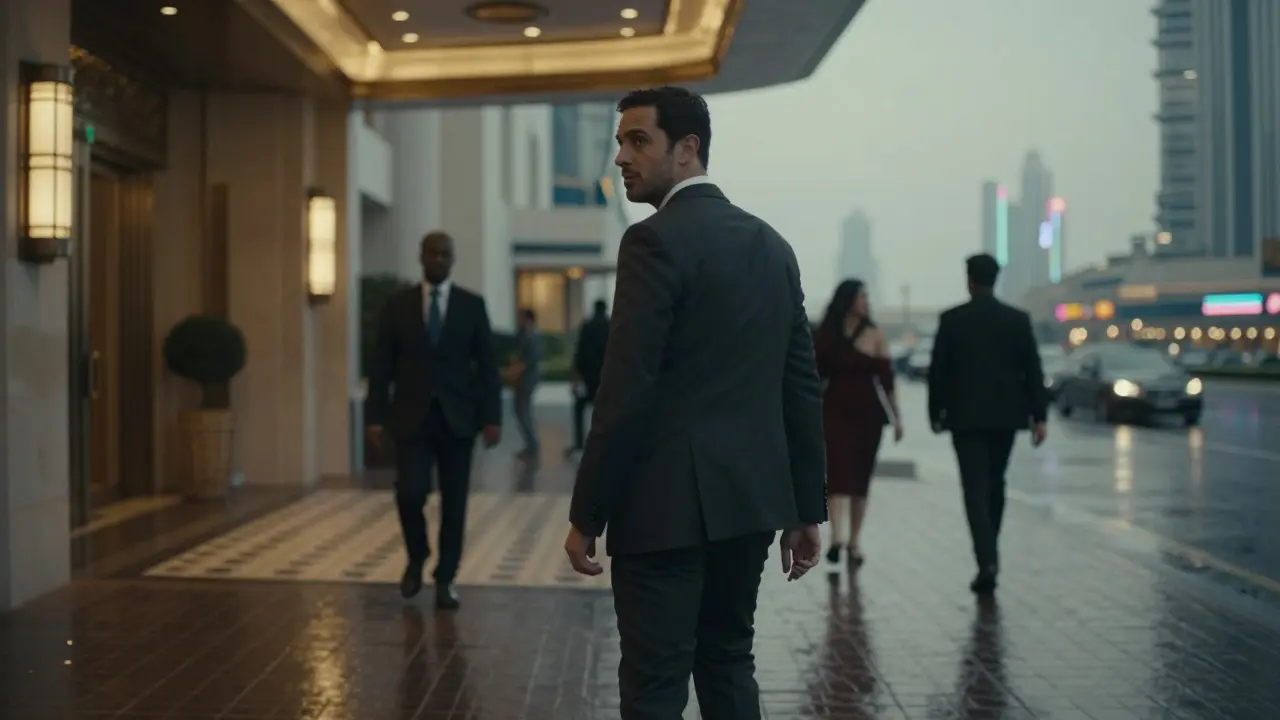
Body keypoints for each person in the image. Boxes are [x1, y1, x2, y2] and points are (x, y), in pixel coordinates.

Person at [563, 86, 827, 718]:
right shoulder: (773, 247)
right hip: (748, 507)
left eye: (638, 140)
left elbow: (625, 391)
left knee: (655, 685)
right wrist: (804, 509)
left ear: (687, 149)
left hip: (663, 511)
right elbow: (799, 386)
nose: (621, 157)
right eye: (619, 142)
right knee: (729, 663)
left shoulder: (651, 241)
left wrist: (587, 514)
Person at [366, 231, 503, 610]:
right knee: (409, 492)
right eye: (433, 253)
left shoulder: (471, 305)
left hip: (458, 421)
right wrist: (375, 417)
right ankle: (417, 554)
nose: (439, 259)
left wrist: (492, 418)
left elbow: (487, 367)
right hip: (411, 418)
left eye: (446, 254)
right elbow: (381, 365)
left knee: (454, 504)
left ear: (453, 259)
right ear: (421, 256)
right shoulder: (398, 305)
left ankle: (446, 579)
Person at [928, 253, 1047, 595]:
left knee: (974, 489)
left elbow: (939, 371)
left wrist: (935, 413)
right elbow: (1033, 370)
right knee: (996, 484)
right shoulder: (1017, 320)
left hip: (964, 418)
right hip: (1006, 417)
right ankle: (990, 551)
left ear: (969, 280)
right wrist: (1039, 416)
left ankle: (986, 560)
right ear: (995, 280)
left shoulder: (953, 319)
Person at [813, 279, 901, 569]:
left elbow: (887, 379)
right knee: (836, 471)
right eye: (861, 296)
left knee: (860, 477)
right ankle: (837, 538)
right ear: (848, 298)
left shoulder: (875, 333)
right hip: (834, 410)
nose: (866, 301)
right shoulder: (827, 332)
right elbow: (814, 374)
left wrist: (897, 417)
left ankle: (854, 540)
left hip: (868, 413)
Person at [565, 299, 610, 458]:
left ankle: (579, 444)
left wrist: (576, 373)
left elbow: (580, 350)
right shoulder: (610, 326)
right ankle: (603, 444)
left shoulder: (587, 325)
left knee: (579, 409)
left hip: (587, 377)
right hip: (604, 377)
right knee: (605, 412)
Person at [508, 307, 542, 459]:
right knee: (522, 412)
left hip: (526, 380)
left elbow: (530, 359)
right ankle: (530, 444)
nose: (518, 320)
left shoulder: (531, 335)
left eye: (521, 317)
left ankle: (532, 445)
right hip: (524, 379)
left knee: (522, 412)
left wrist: (517, 370)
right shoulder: (525, 334)